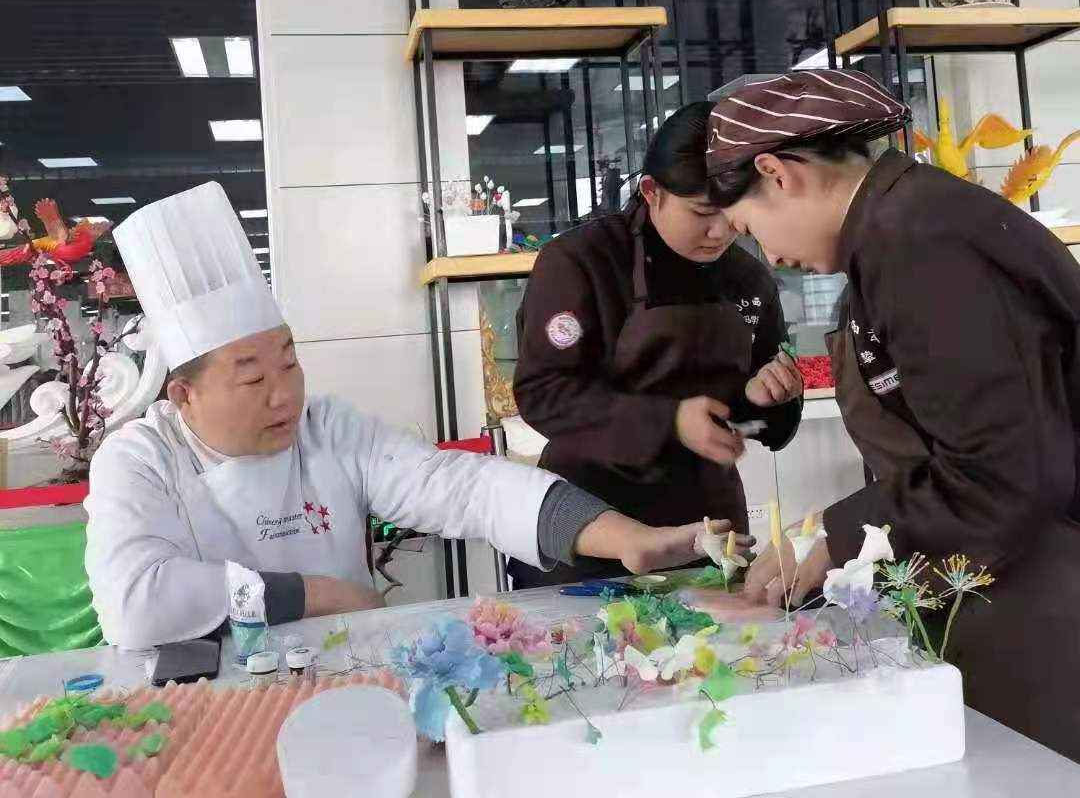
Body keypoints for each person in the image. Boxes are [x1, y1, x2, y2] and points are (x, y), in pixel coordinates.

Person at [84, 182, 727, 651]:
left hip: (341, 672)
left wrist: (626, 537)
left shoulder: (325, 430)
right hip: (205, 697)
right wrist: (320, 593)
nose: (284, 395)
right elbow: (135, 605)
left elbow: (463, 487)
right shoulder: (140, 458)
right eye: (252, 378)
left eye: (289, 361)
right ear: (184, 396)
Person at [706, 68, 1080, 760]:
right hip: (1003, 572)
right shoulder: (895, 233)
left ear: (777, 173)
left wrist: (838, 539)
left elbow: (1002, 471)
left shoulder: (923, 242)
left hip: (1047, 583)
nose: (771, 255)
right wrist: (836, 534)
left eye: (749, 228)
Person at [511, 102, 804, 588]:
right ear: (652, 192)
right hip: (595, 527)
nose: (720, 232)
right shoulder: (582, 262)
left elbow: (763, 423)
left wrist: (767, 399)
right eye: (702, 213)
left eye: (732, 213)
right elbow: (544, 393)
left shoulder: (747, 277)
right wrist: (669, 422)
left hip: (710, 531)